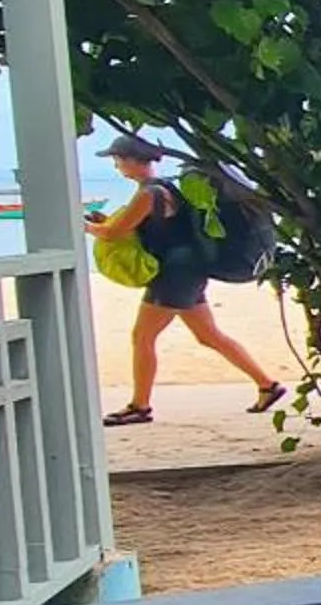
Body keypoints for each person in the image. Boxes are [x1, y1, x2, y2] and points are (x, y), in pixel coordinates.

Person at [85, 137, 284, 426]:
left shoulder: (149, 193)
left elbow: (114, 232)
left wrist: (85, 226)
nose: (116, 166)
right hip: (189, 269)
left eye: (116, 159)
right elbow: (140, 227)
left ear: (131, 160)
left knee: (142, 337)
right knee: (208, 336)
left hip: (175, 273)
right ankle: (268, 385)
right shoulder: (165, 188)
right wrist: (103, 224)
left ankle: (139, 406)